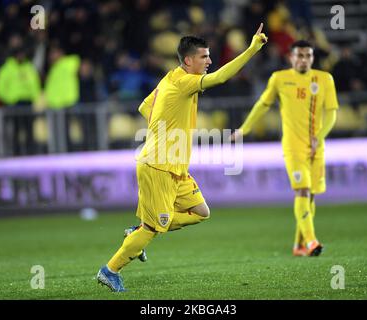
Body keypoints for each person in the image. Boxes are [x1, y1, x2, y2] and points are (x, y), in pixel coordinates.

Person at [97, 23, 268, 292]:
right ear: (189, 61)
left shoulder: (170, 77)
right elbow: (222, 77)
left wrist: (163, 128)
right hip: (158, 166)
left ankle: (140, 230)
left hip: (175, 166)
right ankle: (110, 269)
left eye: (209, 56)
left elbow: (145, 107)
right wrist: (251, 49)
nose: (210, 61)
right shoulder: (186, 82)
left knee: (201, 212)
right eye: (204, 57)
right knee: (153, 229)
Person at [231, 40, 339, 257]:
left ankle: (299, 245)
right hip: (293, 146)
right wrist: (244, 128)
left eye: (308, 55)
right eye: (299, 55)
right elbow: (263, 104)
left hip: (316, 147)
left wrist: (319, 137)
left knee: (311, 196)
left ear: (312, 58)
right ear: (291, 57)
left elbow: (332, 113)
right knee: (302, 190)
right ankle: (311, 241)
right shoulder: (280, 79)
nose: (304, 59)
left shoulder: (324, 79)